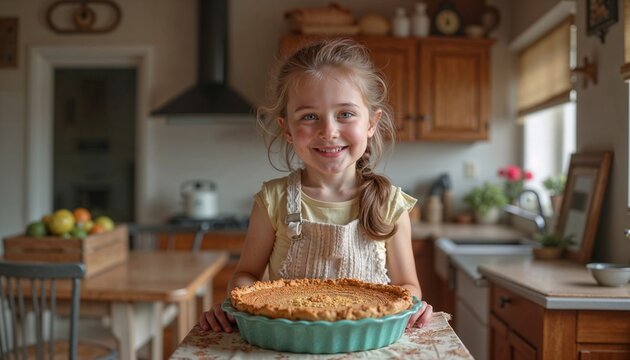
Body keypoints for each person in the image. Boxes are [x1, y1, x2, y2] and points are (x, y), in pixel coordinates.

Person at [199, 38, 433, 333]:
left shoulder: (390, 204)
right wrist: (237, 302)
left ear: (371, 123)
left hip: (369, 345)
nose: (329, 131)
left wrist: (413, 305)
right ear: (287, 128)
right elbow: (245, 274)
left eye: (345, 114)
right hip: (287, 345)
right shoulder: (273, 200)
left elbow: (407, 285)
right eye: (309, 116)